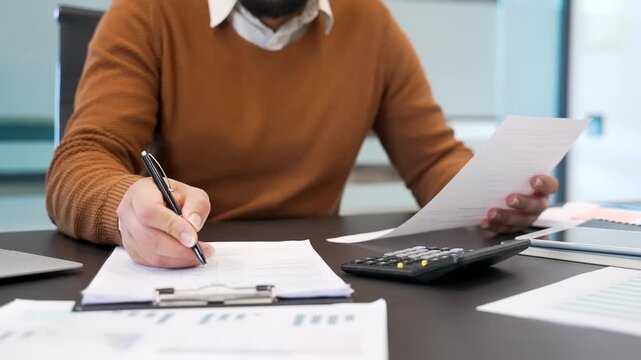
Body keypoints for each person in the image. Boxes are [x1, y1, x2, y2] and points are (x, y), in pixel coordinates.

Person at [46, 0, 558, 268]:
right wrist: (123, 206)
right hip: (188, 264)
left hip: (323, 269)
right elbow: (80, 162)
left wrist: (493, 195)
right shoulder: (148, 11)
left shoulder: (370, 23)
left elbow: (432, 159)